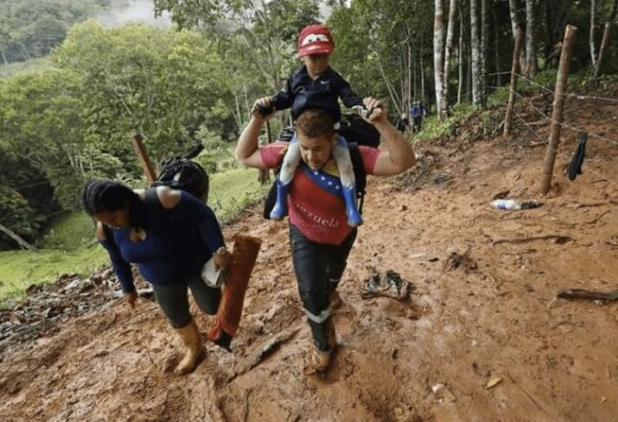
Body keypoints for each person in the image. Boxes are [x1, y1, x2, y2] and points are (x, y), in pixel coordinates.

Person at [235, 96, 416, 373]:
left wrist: (382, 124)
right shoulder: (287, 154)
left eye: (318, 148)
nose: (311, 156)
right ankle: (323, 343)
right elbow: (244, 156)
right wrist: (258, 118)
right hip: (303, 234)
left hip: (342, 236)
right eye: (305, 148)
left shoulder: (354, 156)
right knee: (310, 291)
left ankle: (330, 292)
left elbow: (403, 161)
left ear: (333, 139)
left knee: (330, 280)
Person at [81, 180, 231, 375]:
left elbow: (204, 214)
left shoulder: (161, 198)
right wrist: (128, 288)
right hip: (161, 278)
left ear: (124, 203)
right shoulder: (106, 230)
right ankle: (194, 348)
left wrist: (218, 248)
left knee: (211, 306)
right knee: (176, 316)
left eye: (114, 217)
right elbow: (117, 258)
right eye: (105, 221)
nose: (113, 225)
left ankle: (225, 325)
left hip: (195, 264)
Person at [255, 24, 365, 227]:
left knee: (345, 163)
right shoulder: (296, 79)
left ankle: (351, 207)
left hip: (330, 134)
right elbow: (283, 99)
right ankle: (280, 203)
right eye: (313, 57)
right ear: (302, 57)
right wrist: (268, 103)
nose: (319, 61)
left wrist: (362, 107)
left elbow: (349, 96)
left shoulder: (333, 78)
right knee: (288, 161)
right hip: (303, 135)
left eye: (324, 56)